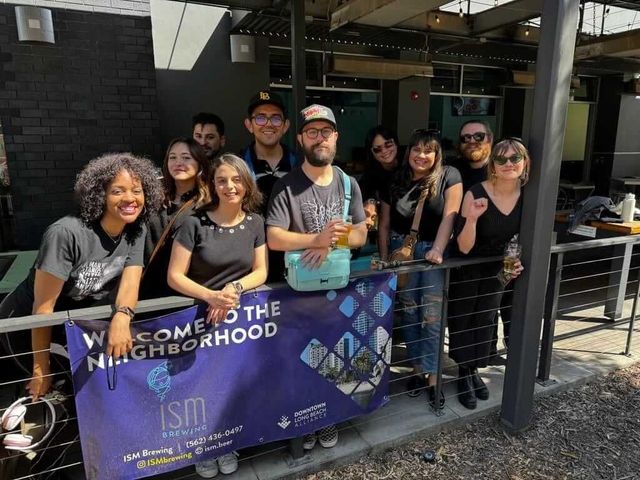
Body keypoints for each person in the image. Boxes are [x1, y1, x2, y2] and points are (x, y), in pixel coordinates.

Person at [0, 153, 163, 399]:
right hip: (26, 325)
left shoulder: (135, 229)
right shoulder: (65, 233)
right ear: (100, 195)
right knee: (49, 392)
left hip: (70, 327)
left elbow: (130, 282)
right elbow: (43, 310)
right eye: (117, 191)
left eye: (137, 190)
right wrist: (40, 368)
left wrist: (122, 316)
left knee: (88, 394)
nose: (130, 198)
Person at [266, 104, 367, 449]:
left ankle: (329, 417)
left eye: (326, 132)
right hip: (298, 293)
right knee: (300, 361)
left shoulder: (347, 182)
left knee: (336, 359)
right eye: (312, 132)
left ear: (336, 137)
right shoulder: (286, 185)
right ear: (301, 138)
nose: (319, 138)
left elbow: (360, 235)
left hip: (336, 292)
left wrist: (330, 242)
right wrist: (316, 240)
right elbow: (275, 237)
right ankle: (305, 422)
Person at [167, 153, 267, 477]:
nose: (229, 186)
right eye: (222, 180)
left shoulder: (255, 222)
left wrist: (232, 290)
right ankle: (203, 448)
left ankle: (227, 442)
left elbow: (261, 271)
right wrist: (212, 296)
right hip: (199, 318)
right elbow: (175, 276)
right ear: (212, 184)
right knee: (200, 387)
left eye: (236, 179)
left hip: (237, 322)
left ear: (246, 183)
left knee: (230, 385)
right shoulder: (193, 222)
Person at [378, 129, 462, 408]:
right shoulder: (395, 179)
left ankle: (434, 376)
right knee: (410, 313)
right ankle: (417, 369)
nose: (421, 155)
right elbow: (385, 224)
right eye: (416, 149)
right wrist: (384, 260)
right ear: (408, 151)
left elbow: (449, 217)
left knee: (433, 315)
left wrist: (437, 249)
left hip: (431, 254)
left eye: (428, 150)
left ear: (437, 155)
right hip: (401, 253)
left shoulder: (449, 176)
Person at [450, 138, 527, 410]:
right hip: (470, 265)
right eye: (502, 159)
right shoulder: (476, 192)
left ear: (524, 163)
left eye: (514, 158)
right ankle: (463, 373)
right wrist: (470, 218)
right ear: (492, 164)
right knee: (464, 318)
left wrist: (520, 260)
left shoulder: (529, 195)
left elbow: (528, 237)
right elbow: (463, 245)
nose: (508, 164)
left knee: (486, 320)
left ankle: (474, 371)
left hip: (502, 270)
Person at [140, 137, 210, 299]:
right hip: (145, 289)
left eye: (186, 157)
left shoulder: (208, 204)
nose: (178, 162)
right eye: (173, 157)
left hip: (183, 295)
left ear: (199, 163)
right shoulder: (151, 197)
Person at [242, 90, 297, 283]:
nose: (268, 124)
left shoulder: (300, 164)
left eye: (275, 118)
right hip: (249, 264)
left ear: (285, 126)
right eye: (260, 118)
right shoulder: (236, 166)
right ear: (249, 124)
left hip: (295, 261)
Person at [360, 126, 402, 232]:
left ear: (396, 143)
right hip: (387, 228)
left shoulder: (409, 163)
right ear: (372, 152)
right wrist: (371, 202)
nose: (384, 151)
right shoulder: (371, 173)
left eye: (388, 145)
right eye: (377, 149)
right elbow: (364, 194)